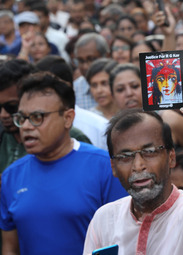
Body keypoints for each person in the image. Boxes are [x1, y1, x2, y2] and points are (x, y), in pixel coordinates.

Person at [83, 97, 183, 255]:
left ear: (171, 157)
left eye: (149, 152)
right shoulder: (104, 218)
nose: (138, 166)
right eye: (125, 157)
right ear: (113, 167)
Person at [0, 72, 127, 255]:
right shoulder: (12, 176)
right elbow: (10, 248)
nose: (26, 126)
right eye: (22, 118)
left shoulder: (105, 168)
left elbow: (122, 240)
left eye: (37, 117)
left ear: (68, 118)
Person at [35, 55, 110, 151]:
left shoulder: (99, 128)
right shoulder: (32, 128)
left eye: (45, 91)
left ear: (66, 86)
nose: (38, 97)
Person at [74, 32, 110, 110]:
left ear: (106, 56)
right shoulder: (74, 91)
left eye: (91, 59)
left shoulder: (120, 86)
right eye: (80, 61)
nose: (85, 66)